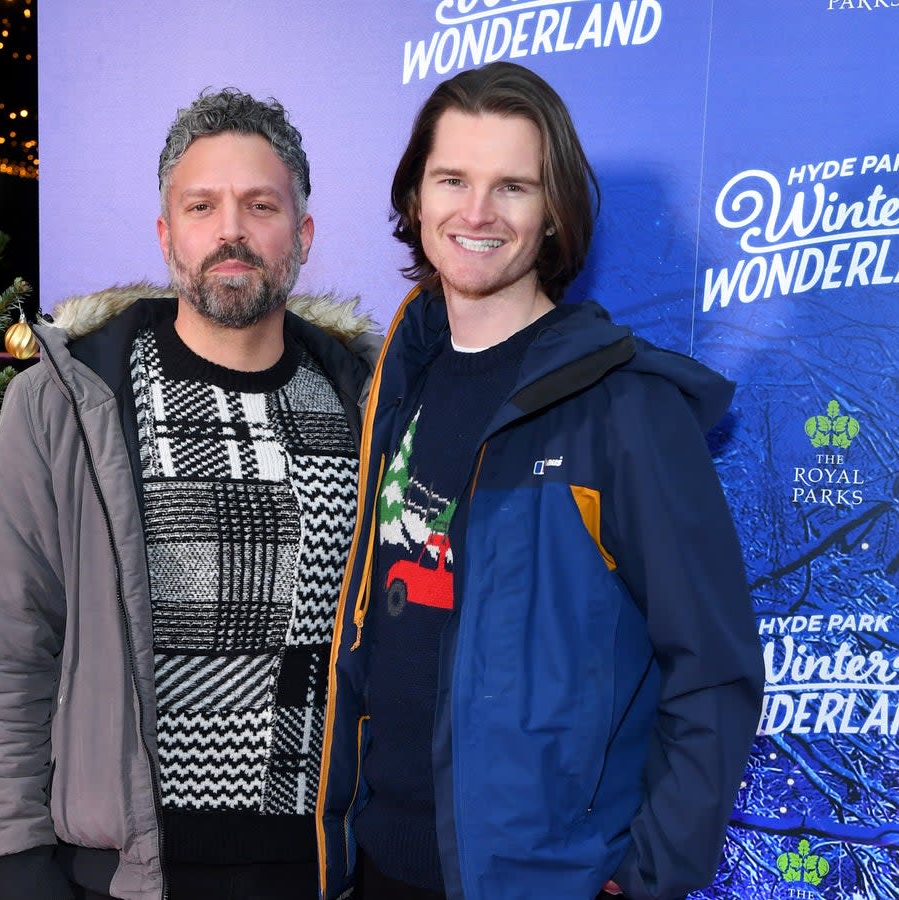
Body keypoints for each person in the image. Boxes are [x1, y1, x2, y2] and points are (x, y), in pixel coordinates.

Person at [316, 62, 764, 900]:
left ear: (554, 212)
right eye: (452, 179)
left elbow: (713, 668)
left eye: (512, 186)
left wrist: (646, 880)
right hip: (376, 868)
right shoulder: (391, 389)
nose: (477, 212)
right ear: (416, 198)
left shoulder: (626, 410)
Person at [0, 88, 380, 900]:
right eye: (202, 205)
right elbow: (3, 642)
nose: (232, 230)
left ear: (303, 235)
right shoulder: (67, 403)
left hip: (325, 870)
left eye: (261, 205)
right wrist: (14, 862)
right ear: (166, 233)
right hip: (125, 876)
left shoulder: (370, 402)